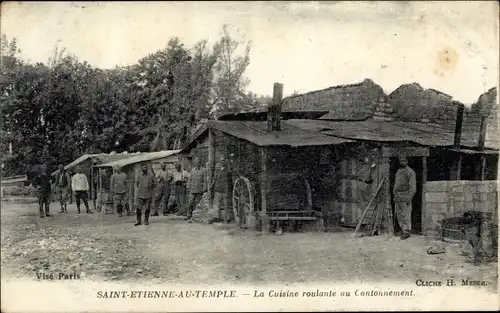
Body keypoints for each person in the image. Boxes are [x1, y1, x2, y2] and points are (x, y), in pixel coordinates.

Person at [393, 156, 416, 240]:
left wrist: (409, 197)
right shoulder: (399, 171)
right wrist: (394, 193)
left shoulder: (410, 172)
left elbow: (413, 187)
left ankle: (406, 231)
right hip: (398, 196)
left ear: (407, 161)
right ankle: (402, 228)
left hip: (405, 195)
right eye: (400, 161)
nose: (402, 162)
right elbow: (396, 184)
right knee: (399, 214)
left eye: (403, 161)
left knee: (406, 214)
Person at [185, 157, 207, 223]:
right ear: (194, 163)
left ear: (200, 163)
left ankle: (195, 217)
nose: (197, 163)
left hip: (199, 189)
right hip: (192, 189)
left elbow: (205, 180)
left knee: (197, 203)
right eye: (196, 162)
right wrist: (188, 186)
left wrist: (205, 188)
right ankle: (188, 215)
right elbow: (190, 179)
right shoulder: (193, 170)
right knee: (190, 202)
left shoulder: (204, 170)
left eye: (198, 162)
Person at [211, 155, 229, 223]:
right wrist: (212, 185)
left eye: (223, 160)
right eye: (221, 160)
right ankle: (216, 217)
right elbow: (215, 178)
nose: (222, 162)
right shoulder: (217, 169)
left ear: (225, 161)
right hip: (218, 188)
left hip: (225, 189)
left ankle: (225, 219)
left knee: (225, 204)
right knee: (216, 203)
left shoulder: (228, 169)